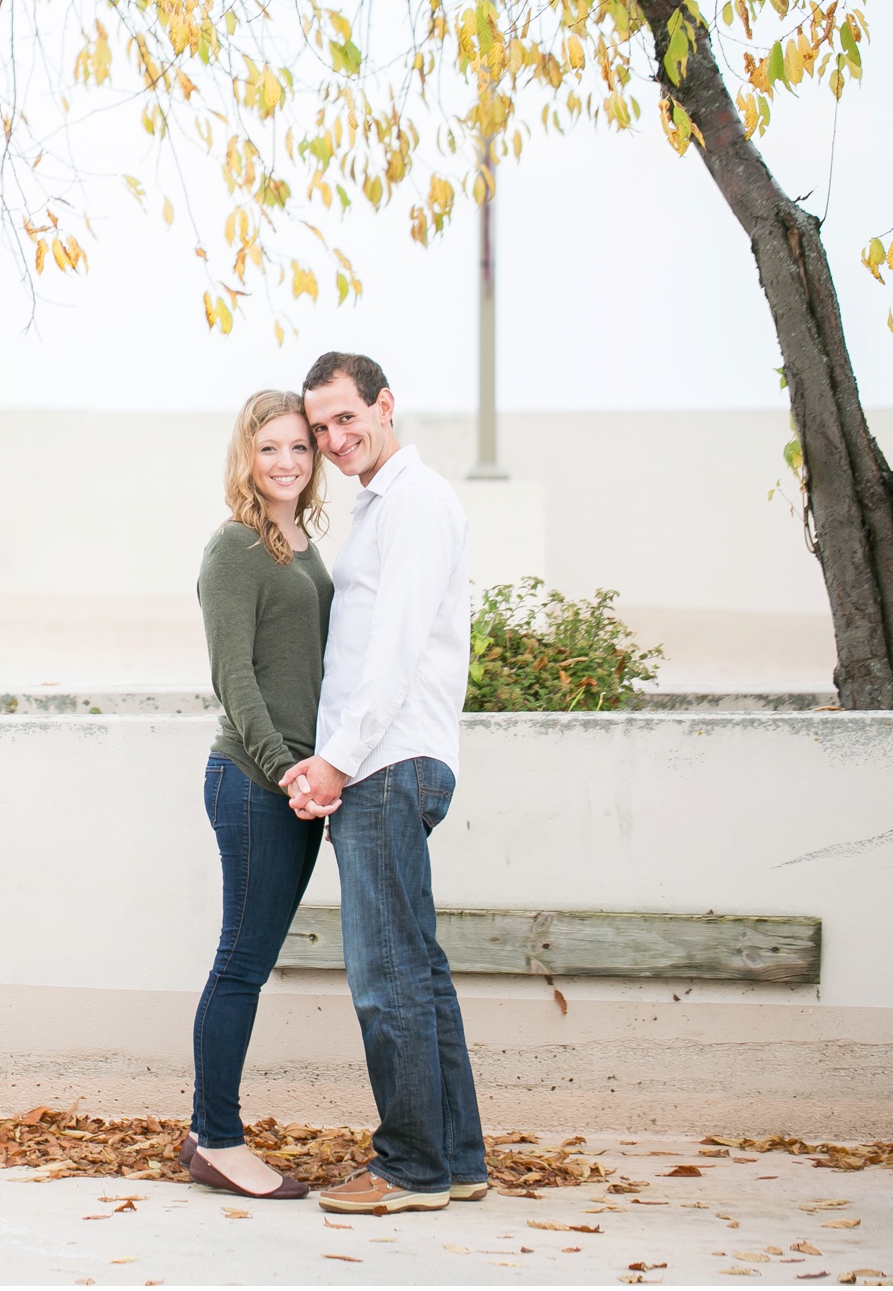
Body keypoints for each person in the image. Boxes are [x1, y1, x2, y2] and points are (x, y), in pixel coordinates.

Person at [280, 352, 488, 1216]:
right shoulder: (380, 507)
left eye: (344, 419)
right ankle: (458, 1159)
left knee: (386, 973)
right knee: (420, 969)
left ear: (385, 404)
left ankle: (409, 1168)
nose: (332, 440)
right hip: (390, 759)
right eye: (319, 427)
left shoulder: (415, 502)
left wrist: (336, 758)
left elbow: (393, 648)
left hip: (389, 762)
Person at [180, 389, 333, 1201]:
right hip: (253, 779)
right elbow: (232, 677)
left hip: (299, 782)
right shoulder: (237, 546)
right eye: (270, 447)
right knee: (240, 964)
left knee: (250, 961)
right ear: (246, 455)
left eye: (300, 448)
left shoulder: (301, 542)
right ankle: (217, 1137)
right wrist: (283, 768)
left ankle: (210, 1129)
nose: (286, 462)